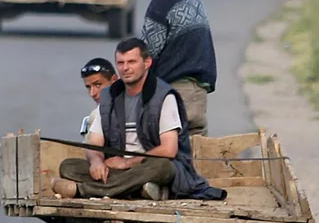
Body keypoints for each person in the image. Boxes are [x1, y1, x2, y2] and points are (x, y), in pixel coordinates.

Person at [51, 38, 227, 202]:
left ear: (147, 63)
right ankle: (138, 190)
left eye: (132, 62)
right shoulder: (109, 97)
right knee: (68, 166)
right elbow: (94, 144)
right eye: (121, 63)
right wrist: (97, 162)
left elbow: (168, 149)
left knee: (162, 167)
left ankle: (83, 191)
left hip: (148, 166)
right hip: (117, 169)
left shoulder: (163, 96)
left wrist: (127, 162)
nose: (125, 68)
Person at [140, 0, 217, 137]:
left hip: (176, 94)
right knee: (198, 154)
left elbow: (146, 56)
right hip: (197, 95)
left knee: (171, 158)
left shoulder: (161, 4)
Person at [78, 58, 118, 141]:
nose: (92, 93)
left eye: (98, 85)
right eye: (88, 87)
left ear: (114, 80)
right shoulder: (95, 115)